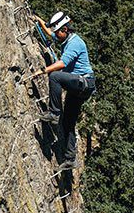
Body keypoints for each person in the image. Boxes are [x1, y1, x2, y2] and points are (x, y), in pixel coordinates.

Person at [35, 11, 95, 171]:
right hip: (79, 87)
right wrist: (40, 21)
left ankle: (54, 113)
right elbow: (50, 34)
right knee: (68, 122)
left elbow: (62, 63)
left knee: (54, 76)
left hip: (84, 83)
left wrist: (43, 70)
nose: (56, 36)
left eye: (58, 32)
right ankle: (70, 158)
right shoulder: (65, 37)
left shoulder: (75, 43)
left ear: (65, 30)